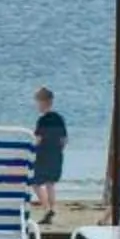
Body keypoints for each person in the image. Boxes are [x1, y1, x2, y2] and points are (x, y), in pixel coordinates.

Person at [31, 86, 68, 223]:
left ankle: (47, 209)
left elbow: (38, 140)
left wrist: (32, 150)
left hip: (43, 155)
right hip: (56, 155)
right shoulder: (59, 119)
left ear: (42, 102)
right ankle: (51, 209)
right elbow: (64, 140)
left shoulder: (42, 120)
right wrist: (58, 150)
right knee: (50, 183)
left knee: (35, 183)